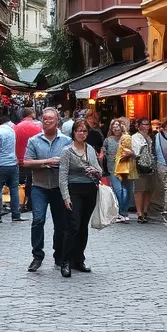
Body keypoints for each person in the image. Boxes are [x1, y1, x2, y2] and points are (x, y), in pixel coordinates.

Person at [23, 107, 72, 272]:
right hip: (39, 186)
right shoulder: (34, 140)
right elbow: (26, 162)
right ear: (41, 121)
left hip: (59, 187)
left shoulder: (66, 140)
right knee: (38, 220)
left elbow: (71, 162)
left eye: (51, 119)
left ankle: (59, 255)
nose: (48, 121)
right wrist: (46, 162)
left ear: (57, 120)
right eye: (45, 119)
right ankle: (37, 256)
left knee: (61, 224)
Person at [58, 118, 103, 278]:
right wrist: (66, 197)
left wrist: (95, 170)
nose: (81, 134)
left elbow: (100, 170)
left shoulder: (89, 149)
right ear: (74, 133)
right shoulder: (67, 151)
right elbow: (62, 176)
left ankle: (79, 259)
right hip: (73, 190)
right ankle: (65, 261)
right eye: (79, 131)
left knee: (83, 226)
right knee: (73, 227)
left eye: (84, 131)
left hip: (89, 190)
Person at [0, 110, 23, 224]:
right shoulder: (12, 131)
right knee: (14, 189)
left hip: (0, 164)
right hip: (13, 164)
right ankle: (16, 214)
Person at [14, 107, 43, 213]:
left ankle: (23, 202)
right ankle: (32, 202)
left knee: (21, 182)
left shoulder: (17, 127)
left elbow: (15, 142)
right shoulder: (38, 125)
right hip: (36, 158)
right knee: (33, 181)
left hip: (20, 158)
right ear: (32, 114)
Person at [130, 117, 155, 223]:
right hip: (139, 166)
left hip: (150, 166)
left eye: (148, 124)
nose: (146, 126)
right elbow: (136, 152)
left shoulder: (149, 138)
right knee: (139, 190)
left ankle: (145, 211)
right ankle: (139, 213)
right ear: (138, 126)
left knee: (148, 189)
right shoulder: (135, 137)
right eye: (144, 124)